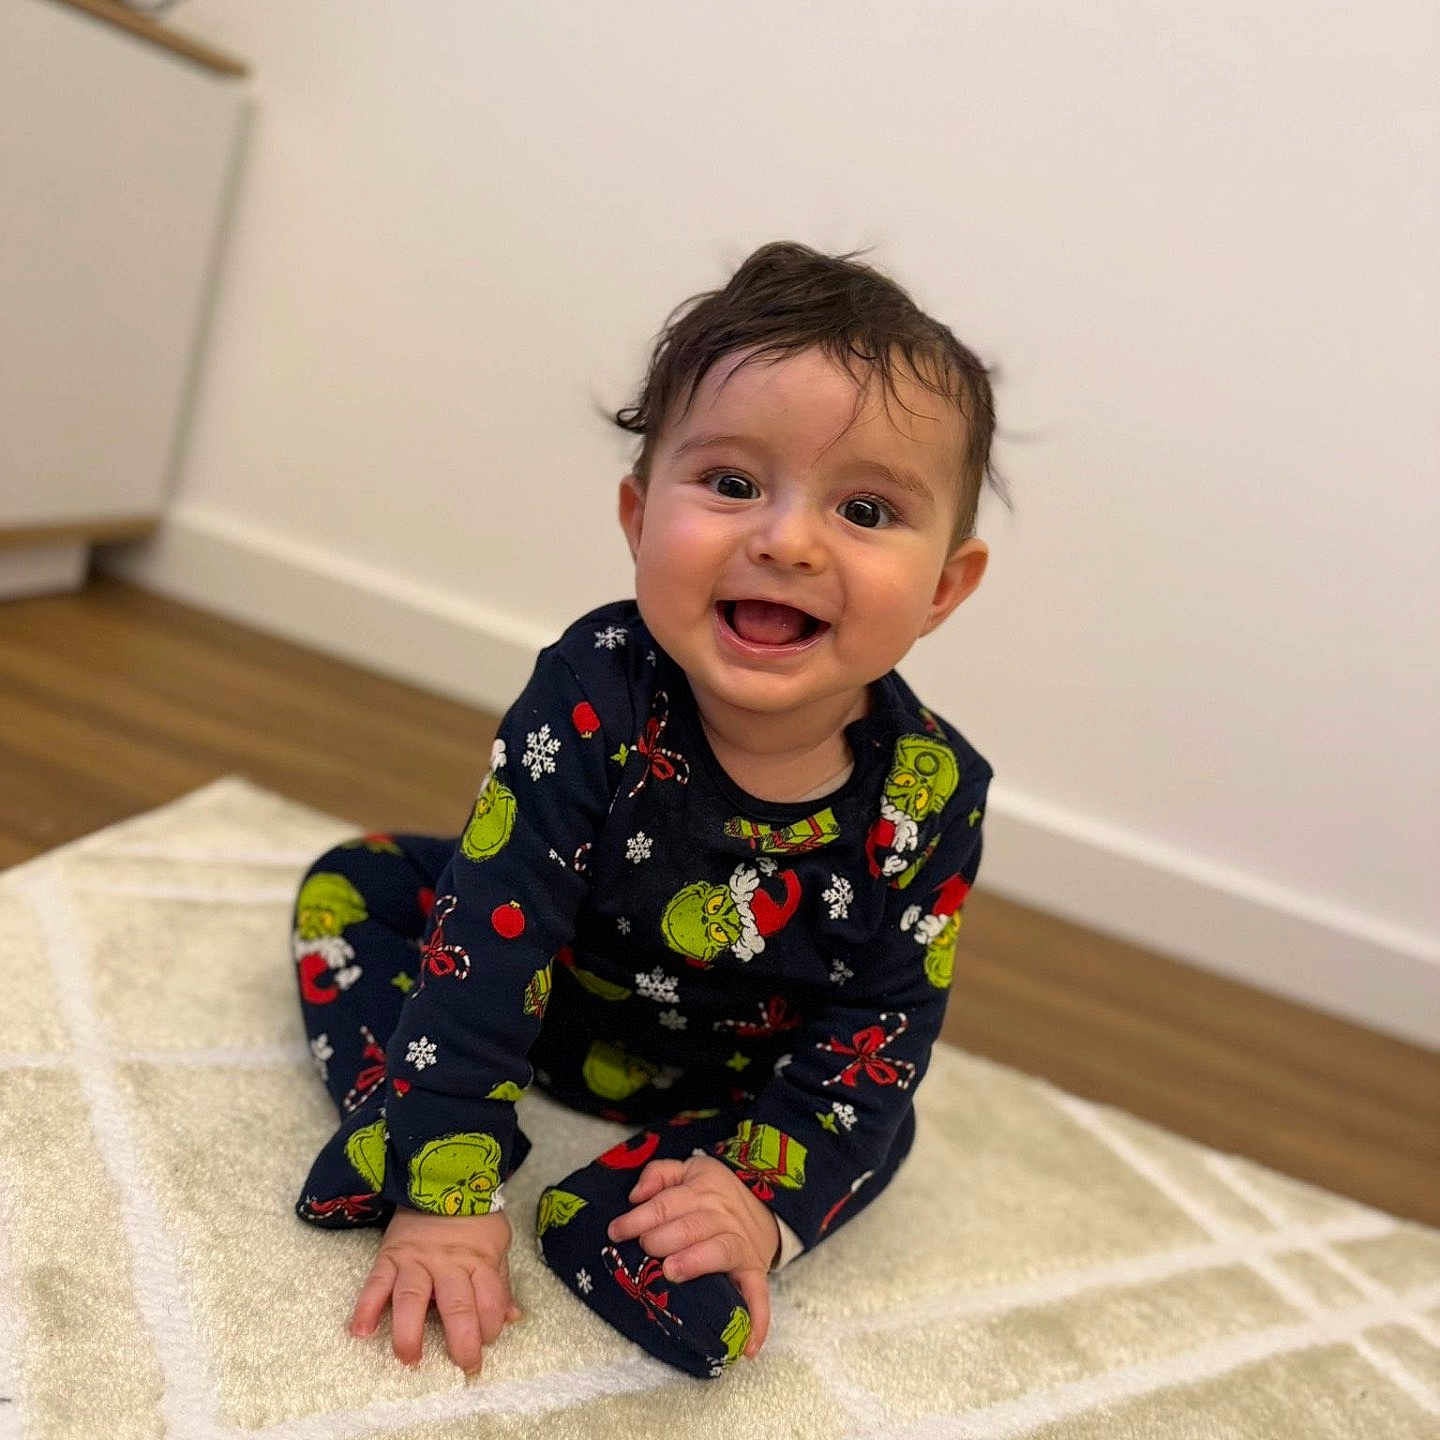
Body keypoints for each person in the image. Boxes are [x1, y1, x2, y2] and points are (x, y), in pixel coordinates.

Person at [290, 240, 1004, 1382]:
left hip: (730, 1078)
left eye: (865, 508)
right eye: (730, 485)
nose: (787, 539)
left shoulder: (931, 793)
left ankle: (652, 1216)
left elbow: (879, 1031)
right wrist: (449, 1187)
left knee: (885, 1116)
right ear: (637, 516)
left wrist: (759, 1205)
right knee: (357, 886)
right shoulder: (593, 695)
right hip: (548, 996)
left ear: (944, 590)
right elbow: (488, 933)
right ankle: (409, 1124)